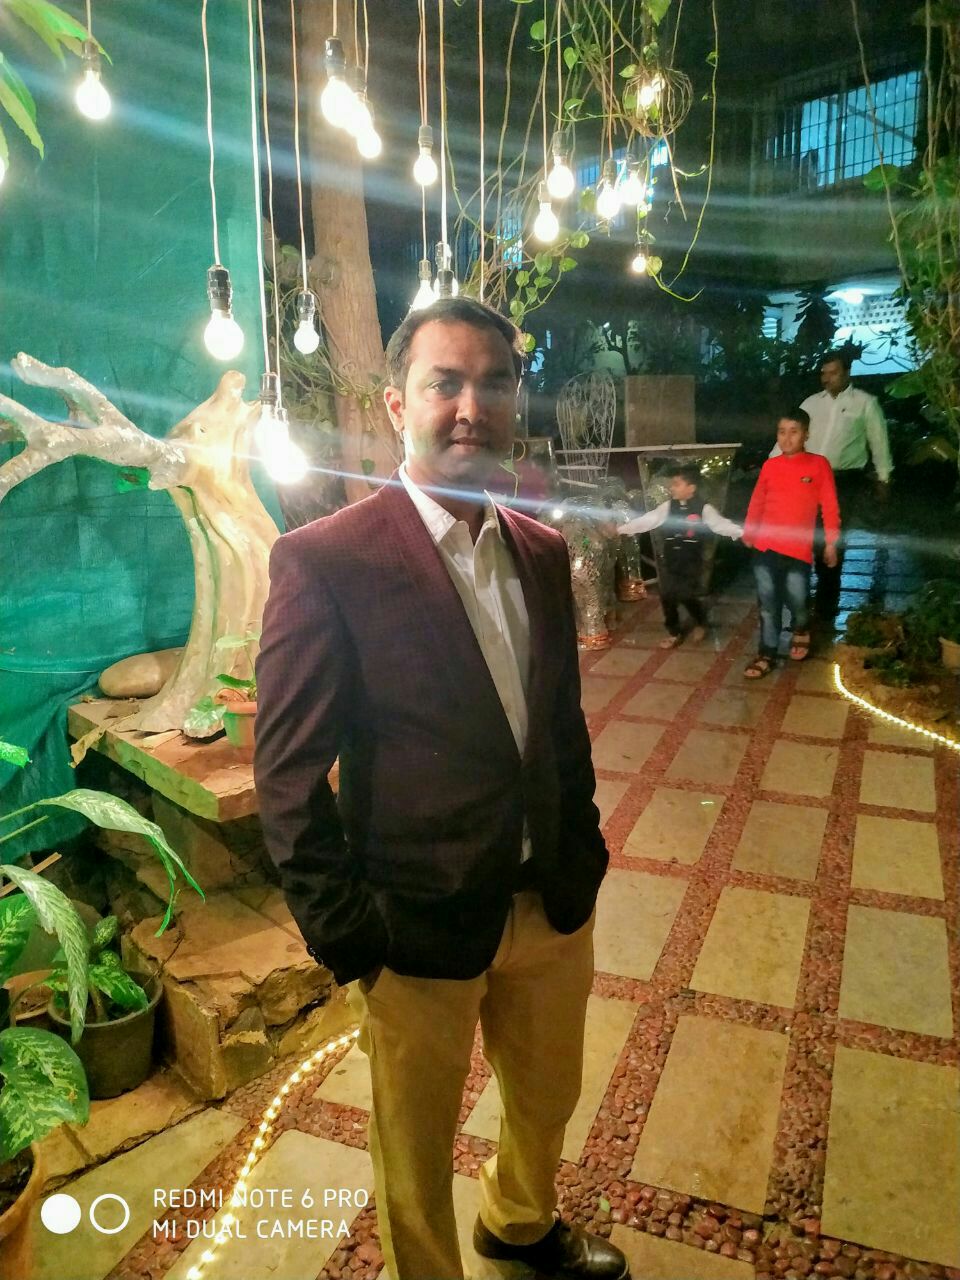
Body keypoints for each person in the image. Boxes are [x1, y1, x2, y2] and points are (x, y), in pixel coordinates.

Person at [254, 297, 628, 1280]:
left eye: (494, 383)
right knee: (414, 1151)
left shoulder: (541, 551)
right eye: (445, 383)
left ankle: (519, 1222)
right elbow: (287, 776)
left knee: (547, 1098)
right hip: (415, 923)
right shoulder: (327, 560)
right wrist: (349, 933)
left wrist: (583, 847)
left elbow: (558, 723)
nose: (472, 406)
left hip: (548, 902)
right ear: (397, 405)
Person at [774, 348, 892, 620]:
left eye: (833, 373)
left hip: (843, 481)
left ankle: (827, 604)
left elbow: (879, 442)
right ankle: (801, 597)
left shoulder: (865, 403)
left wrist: (884, 478)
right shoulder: (811, 403)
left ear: (847, 372)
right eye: (823, 373)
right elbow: (790, 436)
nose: (827, 378)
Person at [743, 408, 840, 677]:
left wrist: (831, 542)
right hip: (765, 547)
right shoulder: (770, 466)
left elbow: (830, 506)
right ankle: (767, 653)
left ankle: (801, 627)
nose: (787, 438)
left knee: (798, 598)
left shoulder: (818, 465)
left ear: (806, 434)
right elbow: (757, 501)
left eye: (794, 432)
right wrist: (750, 532)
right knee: (768, 604)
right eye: (782, 432)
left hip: (798, 550)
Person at [617, 464, 742, 648]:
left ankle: (700, 621)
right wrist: (622, 529)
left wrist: (740, 532)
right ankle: (674, 631)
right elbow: (648, 520)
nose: (672, 488)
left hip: (692, 560)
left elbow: (720, 524)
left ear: (691, 488)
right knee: (667, 595)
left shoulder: (703, 508)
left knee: (685, 594)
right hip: (671, 559)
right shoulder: (668, 507)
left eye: (677, 484)